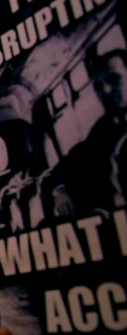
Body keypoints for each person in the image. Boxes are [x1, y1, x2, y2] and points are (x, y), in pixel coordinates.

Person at [40, 48, 127, 219]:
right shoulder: (104, 128)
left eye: (114, 79)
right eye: (98, 86)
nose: (106, 91)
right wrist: (60, 190)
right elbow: (66, 167)